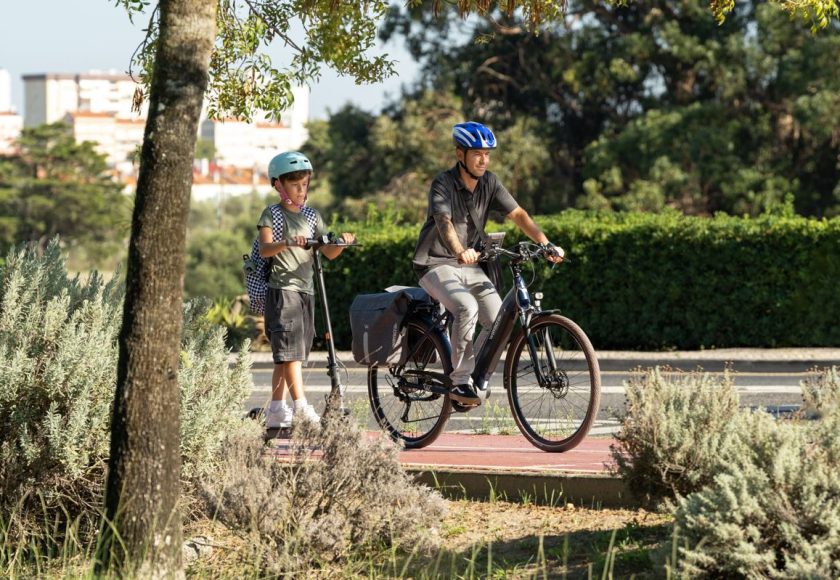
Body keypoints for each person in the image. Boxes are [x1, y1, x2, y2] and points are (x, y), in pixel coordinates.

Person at [412, 121, 564, 407]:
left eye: (487, 154)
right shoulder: (442, 184)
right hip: (434, 263)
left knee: (498, 323)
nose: (484, 159)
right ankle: (460, 381)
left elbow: (518, 213)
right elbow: (444, 222)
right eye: (477, 153)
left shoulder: (490, 182)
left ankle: (475, 376)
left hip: (468, 266)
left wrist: (545, 243)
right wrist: (459, 250)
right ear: (460, 155)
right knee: (465, 306)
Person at [258, 151, 355, 429]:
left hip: (306, 290)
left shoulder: (312, 216)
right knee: (291, 354)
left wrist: (343, 243)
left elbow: (328, 252)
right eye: (295, 185)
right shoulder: (272, 214)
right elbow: (265, 249)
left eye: (304, 184)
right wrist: (287, 242)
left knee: (288, 353)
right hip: (283, 289)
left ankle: (276, 410)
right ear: (279, 186)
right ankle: (300, 407)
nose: (301, 190)